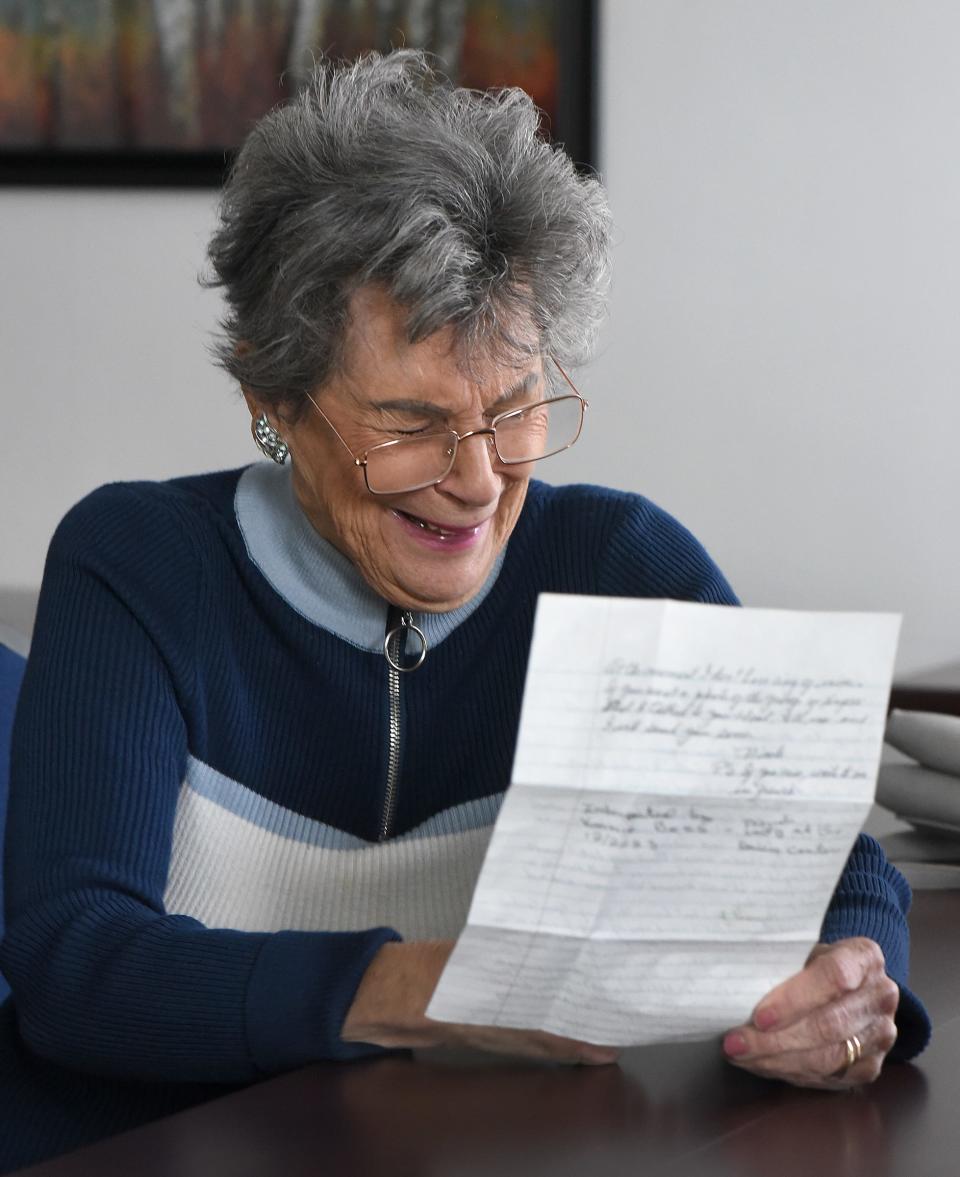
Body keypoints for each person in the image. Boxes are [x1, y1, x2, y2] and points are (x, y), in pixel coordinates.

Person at [0, 49, 929, 1166]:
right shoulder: (139, 563)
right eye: (410, 421)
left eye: (514, 408)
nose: (480, 479)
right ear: (272, 399)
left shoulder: (622, 561)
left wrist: (849, 987)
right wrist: (417, 988)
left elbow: (828, 857)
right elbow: (75, 967)